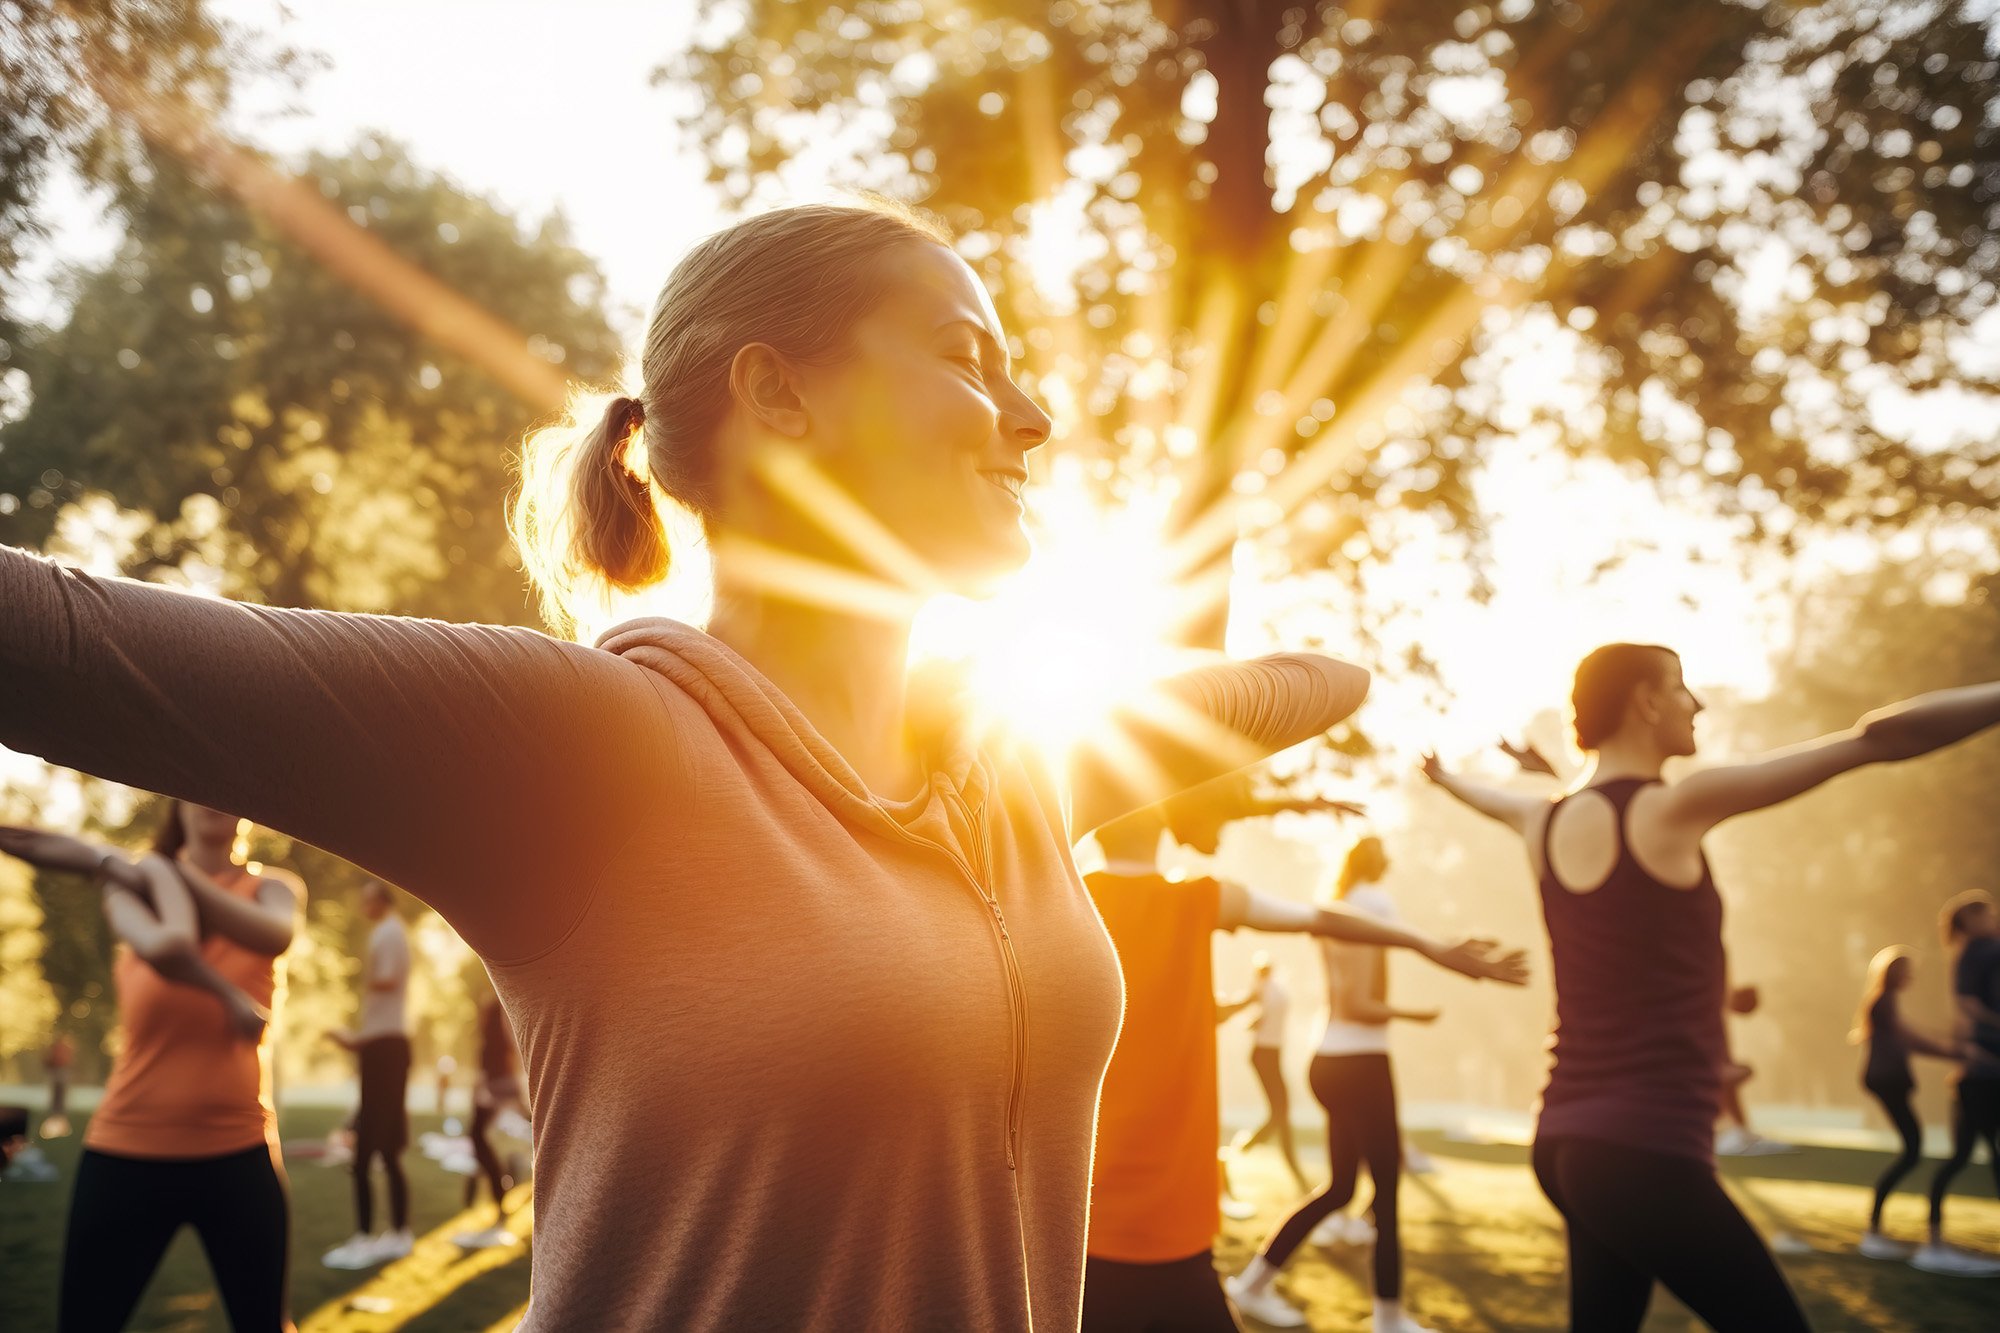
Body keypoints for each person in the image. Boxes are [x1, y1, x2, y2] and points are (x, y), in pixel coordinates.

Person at [0, 199, 1374, 1331]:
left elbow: (1296, 686)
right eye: (966, 355)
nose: (1030, 417)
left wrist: (1290, 687)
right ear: (778, 391)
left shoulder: (1009, 771)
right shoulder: (589, 748)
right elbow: (59, 639)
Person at [1422, 642, 2000, 1331]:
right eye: (1682, 687)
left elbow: (1486, 797)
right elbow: (1877, 739)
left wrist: (1446, 779)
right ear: (1644, 700)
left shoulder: (1541, 819)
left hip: (1567, 1138)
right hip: (1642, 1150)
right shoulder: (1673, 807)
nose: (1696, 703)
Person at [1083, 805, 1526, 1333]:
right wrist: (1426, 944)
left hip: (1087, 1234)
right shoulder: (1199, 898)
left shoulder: (1066, 898)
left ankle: (1264, 1287)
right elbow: (1322, 918)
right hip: (1168, 1234)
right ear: (1161, 821)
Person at [0, 801, 304, 1333]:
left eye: (225, 790)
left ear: (248, 810)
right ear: (176, 804)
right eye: (195, 789)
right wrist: (132, 869)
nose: (211, 800)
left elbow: (274, 935)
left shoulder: (272, 888)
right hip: (126, 1150)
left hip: (238, 1150)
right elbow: (168, 947)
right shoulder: (135, 884)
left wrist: (152, 868)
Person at [1228, 834, 1445, 1332]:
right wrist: (1415, 1014)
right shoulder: (1374, 904)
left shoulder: (1338, 906)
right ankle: (1389, 1320)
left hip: (1326, 1061)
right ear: (1379, 864)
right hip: (1363, 1062)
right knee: (1385, 1192)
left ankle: (1251, 1285)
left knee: (1341, 1188)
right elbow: (1358, 1006)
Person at [1849, 945, 1963, 1261]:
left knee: (1912, 1152)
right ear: (1895, 973)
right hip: (1888, 1081)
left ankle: (1874, 1226)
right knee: (1912, 1151)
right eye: (1907, 971)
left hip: (1888, 1081)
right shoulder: (1883, 1002)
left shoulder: (1886, 1002)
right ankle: (1872, 1229)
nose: (1911, 976)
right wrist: (1955, 1052)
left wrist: (1951, 1046)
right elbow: (1910, 1039)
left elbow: (1912, 1034)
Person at [323, 880, 415, 1269]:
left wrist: (354, 972)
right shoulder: (390, 932)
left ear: (382, 901)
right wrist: (357, 1041)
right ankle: (398, 1234)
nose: (363, 908)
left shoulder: (389, 933)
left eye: (367, 901)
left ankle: (365, 1239)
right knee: (389, 1152)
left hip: (385, 1051)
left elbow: (388, 981)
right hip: (384, 1048)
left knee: (365, 1153)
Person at [1921, 890, 2000, 1275]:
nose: (1994, 916)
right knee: (1964, 1157)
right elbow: (1967, 1006)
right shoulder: (1976, 952)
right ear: (1969, 921)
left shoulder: (1987, 948)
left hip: (1983, 1073)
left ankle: (1933, 1237)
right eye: (1987, 912)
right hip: (1983, 1074)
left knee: (1965, 1157)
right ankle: (1933, 1238)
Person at [456, 992, 528, 1249]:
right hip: (497, 1084)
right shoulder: (495, 1013)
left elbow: (510, 1050)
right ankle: (506, 1182)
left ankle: (503, 1189)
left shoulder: (499, 1012)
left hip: (496, 1085)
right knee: (483, 1142)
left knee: (480, 1140)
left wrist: (488, 1088)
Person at [1230, 953, 1308, 1188]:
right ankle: (1245, 1149)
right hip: (1263, 1055)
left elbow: (1268, 1013)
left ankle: (1246, 1148)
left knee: (1281, 1113)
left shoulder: (1277, 986)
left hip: (1273, 1054)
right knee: (1280, 1113)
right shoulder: (1261, 987)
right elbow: (1245, 1003)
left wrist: (1257, 1019)